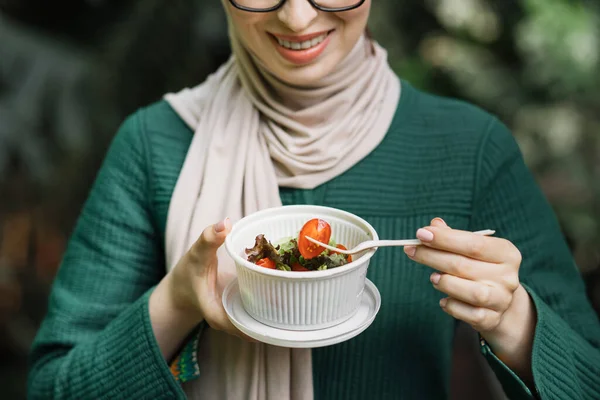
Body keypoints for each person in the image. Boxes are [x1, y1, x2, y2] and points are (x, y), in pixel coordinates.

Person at [27, 0, 600, 399]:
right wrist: (176, 301)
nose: (297, 16)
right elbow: (54, 389)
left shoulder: (470, 148)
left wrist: (514, 319)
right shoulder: (153, 145)